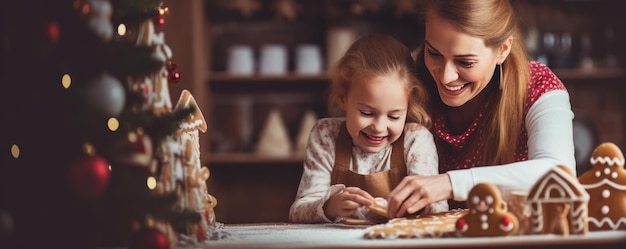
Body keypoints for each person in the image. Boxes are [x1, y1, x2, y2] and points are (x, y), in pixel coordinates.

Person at [386, 0, 576, 218]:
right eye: (434, 53)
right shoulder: (408, 75)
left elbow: (560, 174)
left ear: (503, 50)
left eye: (465, 62)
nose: (446, 76)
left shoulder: (537, 87)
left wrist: (449, 183)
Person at [289, 34, 448, 223]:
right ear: (343, 99)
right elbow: (298, 211)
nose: (379, 127)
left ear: (408, 105)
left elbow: (438, 209)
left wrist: (400, 205)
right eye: (366, 113)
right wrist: (330, 206)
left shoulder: (416, 139)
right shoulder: (326, 134)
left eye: (393, 116)